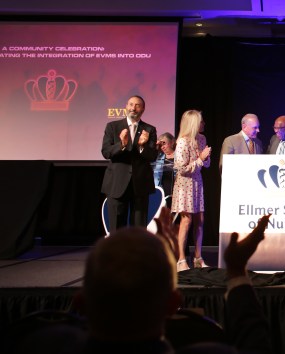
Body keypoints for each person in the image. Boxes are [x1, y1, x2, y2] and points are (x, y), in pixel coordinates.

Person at [71, 207, 272, 354]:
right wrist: (236, 270)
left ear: (80, 303)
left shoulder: (52, 343)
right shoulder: (211, 351)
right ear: (174, 304)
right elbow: (255, 342)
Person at [101, 95, 158, 231]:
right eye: (131, 104)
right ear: (126, 107)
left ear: (143, 109)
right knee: (116, 227)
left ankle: (136, 253)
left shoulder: (149, 129)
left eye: (137, 105)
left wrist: (141, 146)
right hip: (117, 183)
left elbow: (152, 157)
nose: (133, 108)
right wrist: (122, 144)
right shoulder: (113, 127)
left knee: (138, 229)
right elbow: (106, 152)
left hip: (140, 184)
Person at [172, 110, 212, 271]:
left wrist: (205, 159)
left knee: (200, 220)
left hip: (197, 182)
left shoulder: (202, 138)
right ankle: (181, 260)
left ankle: (198, 257)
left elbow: (206, 165)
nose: (203, 124)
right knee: (186, 220)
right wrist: (201, 159)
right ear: (194, 123)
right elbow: (182, 169)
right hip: (185, 184)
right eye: (201, 121)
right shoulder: (182, 141)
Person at [153, 132, 176, 203]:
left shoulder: (180, 156)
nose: (162, 147)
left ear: (172, 142)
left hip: (177, 191)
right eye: (160, 145)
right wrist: (156, 147)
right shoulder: (158, 157)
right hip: (162, 193)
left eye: (164, 143)